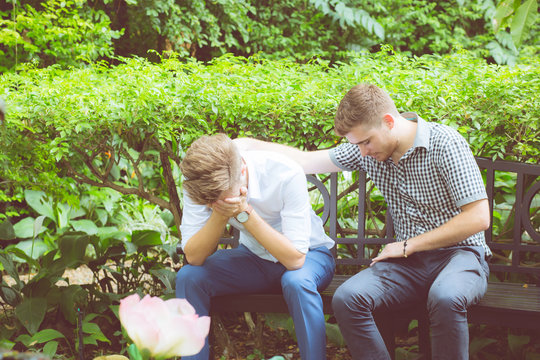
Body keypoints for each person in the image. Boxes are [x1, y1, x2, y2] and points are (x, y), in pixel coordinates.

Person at [234, 83, 491, 360]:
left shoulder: (445, 144)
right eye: (356, 144)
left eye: (366, 142)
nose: (363, 152)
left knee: (446, 298)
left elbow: (478, 217)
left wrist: (408, 245)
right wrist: (242, 145)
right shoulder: (365, 150)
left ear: (389, 122)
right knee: (348, 299)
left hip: (461, 255)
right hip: (409, 264)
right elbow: (304, 161)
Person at [175, 133, 335, 360]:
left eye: (221, 198)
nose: (215, 203)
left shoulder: (284, 172)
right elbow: (194, 256)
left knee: (297, 282)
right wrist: (219, 215)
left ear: (241, 169)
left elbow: (295, 259)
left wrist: (245, 214)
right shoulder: (199, 183)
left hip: (310, 256)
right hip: (254, 259)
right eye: (211, 202)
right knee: (189, 277)